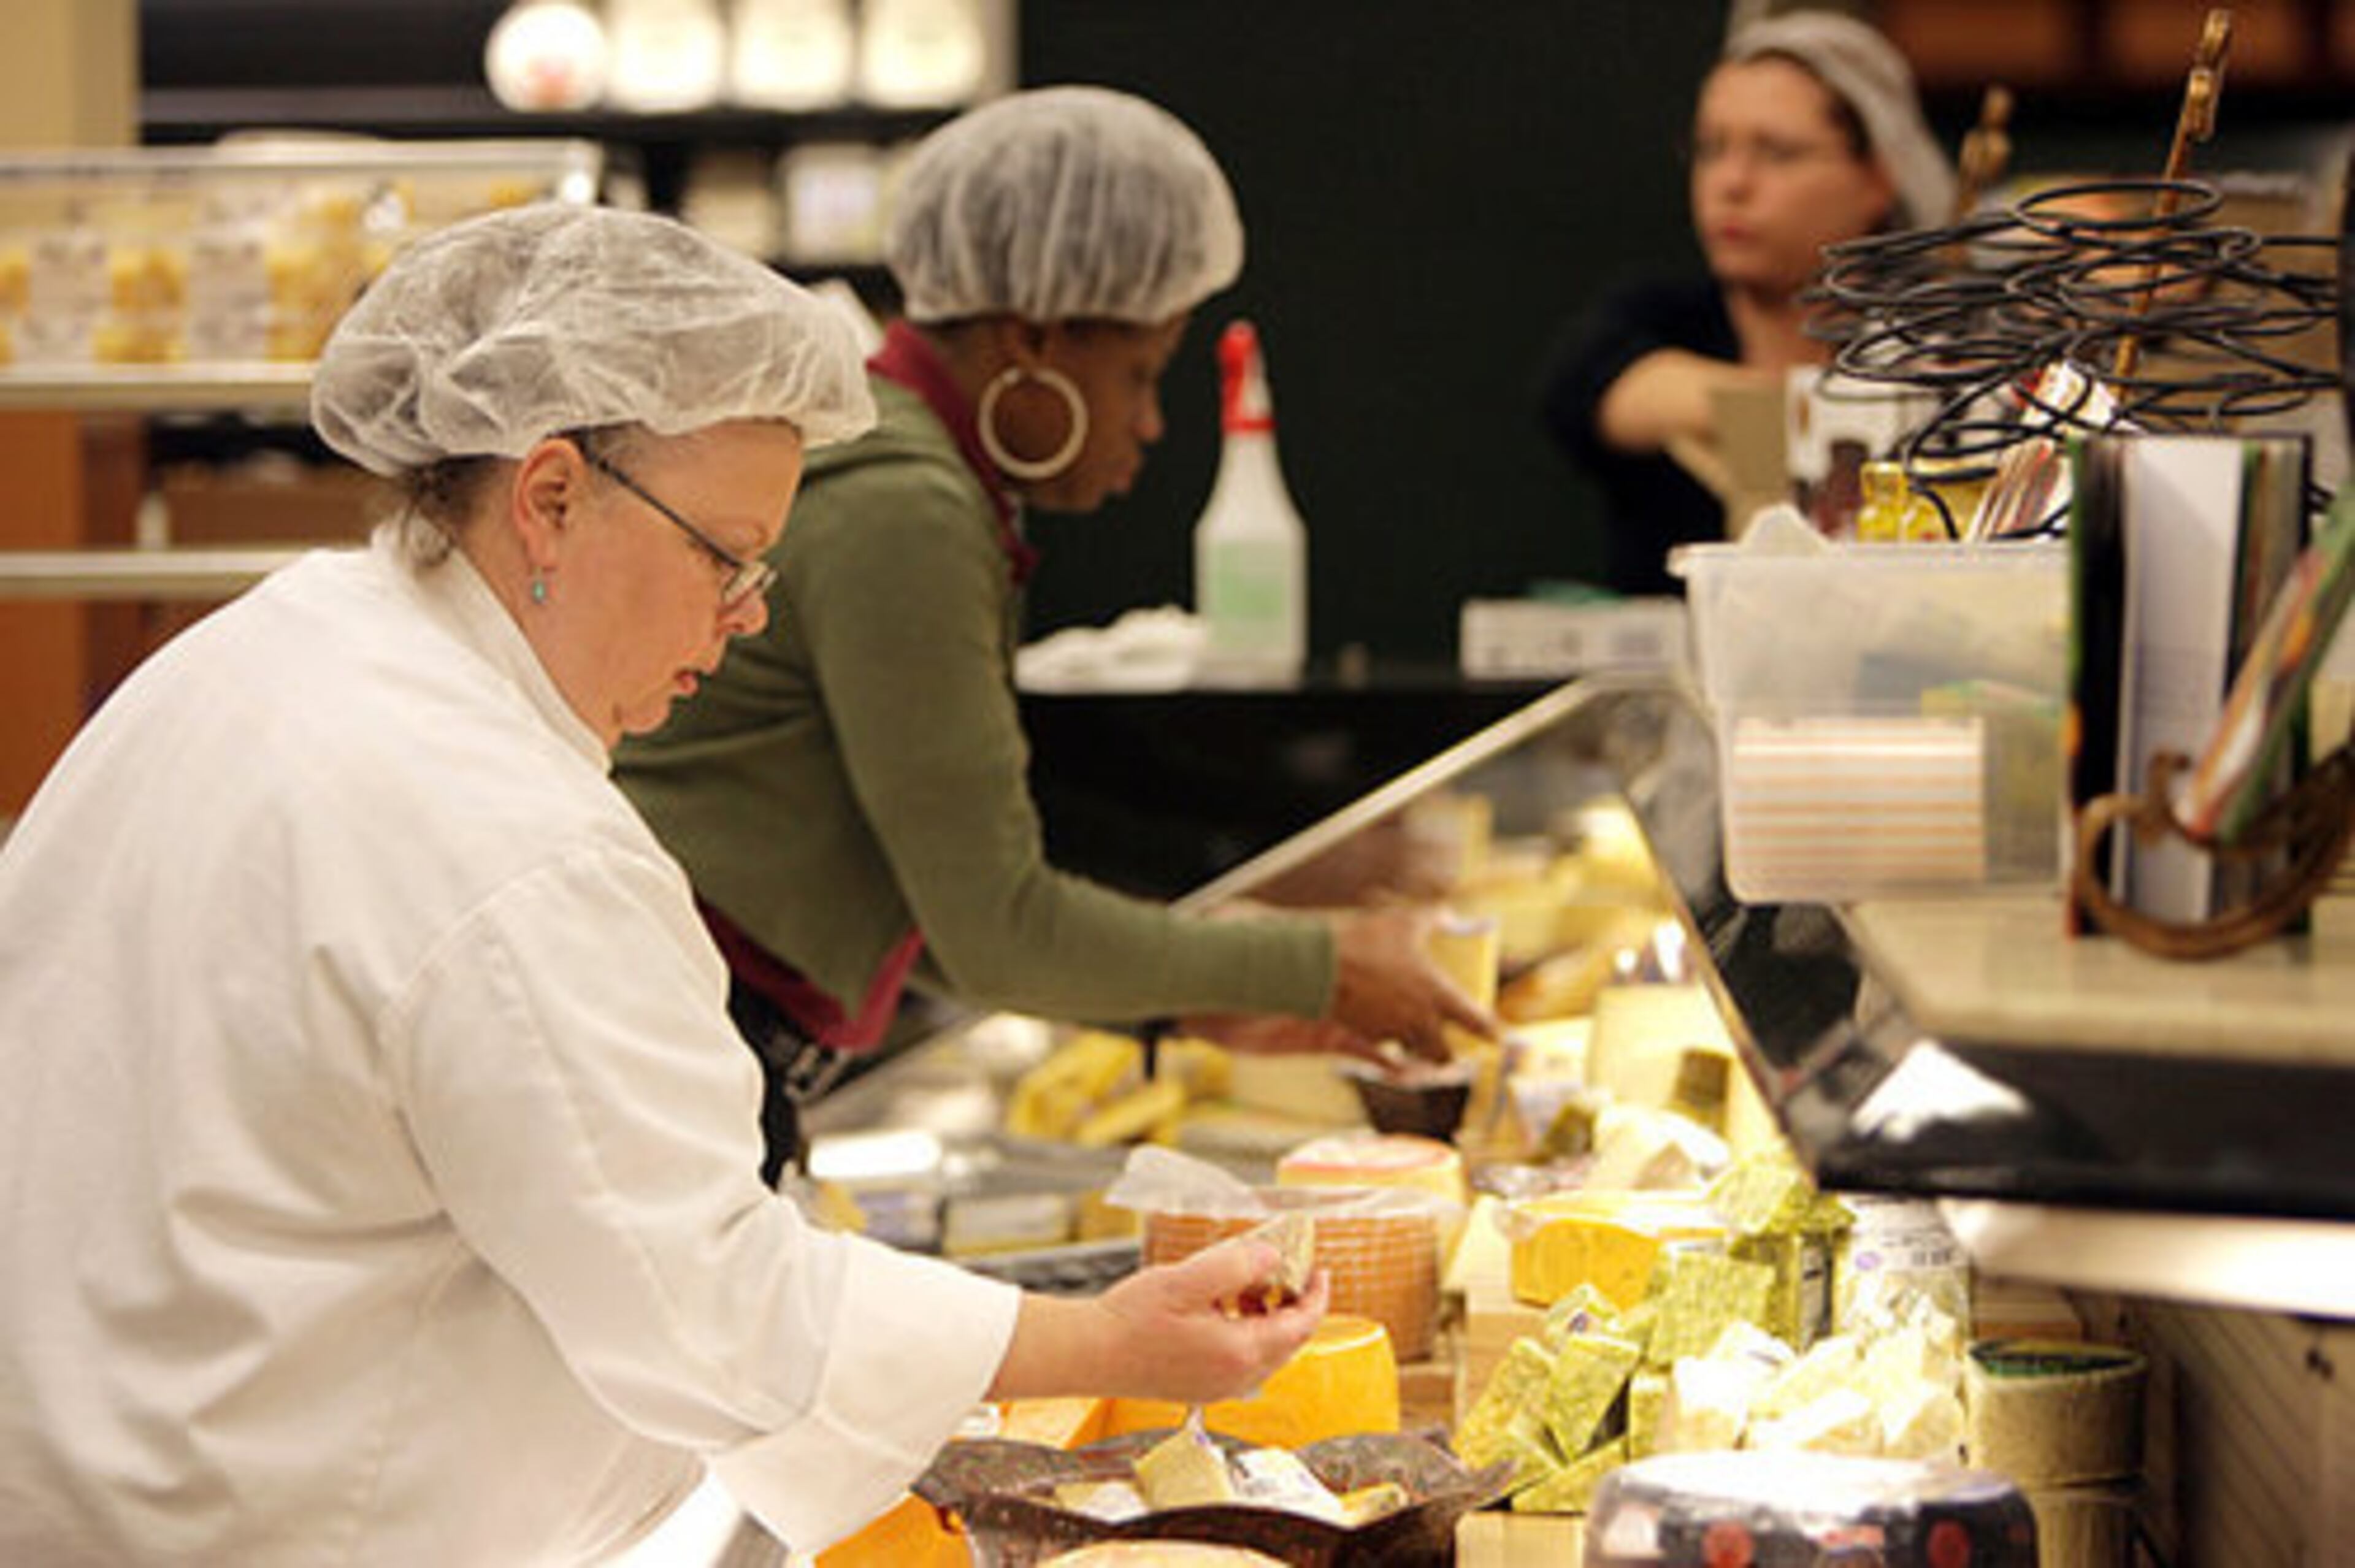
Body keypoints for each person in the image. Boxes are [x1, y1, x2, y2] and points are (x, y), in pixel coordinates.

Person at [0, 202, 1329, 1568]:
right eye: (726, 554)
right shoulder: (501, 833)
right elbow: (713, 1318)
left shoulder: (274, 646)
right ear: (553, 496)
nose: (749, 611)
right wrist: (1114, 1336)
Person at [615, 86, 1493, 1182]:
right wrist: (1319, 962)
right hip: (683, 1049)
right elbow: (999, 925)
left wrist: (1196, 1006)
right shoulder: (909, 507)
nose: (1150, 422)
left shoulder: (904, 465)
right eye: (1139, 372)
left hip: (694, 1043)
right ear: (1032, 338)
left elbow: (929, 910)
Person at [1536, 10, 1956, 594]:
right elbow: (1591, 389)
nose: (1731, 183)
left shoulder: (1943, 348)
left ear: (1879, 178)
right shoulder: (1659, 320)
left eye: (1778, 153)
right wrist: (1797, 421)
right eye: (1711, 149)